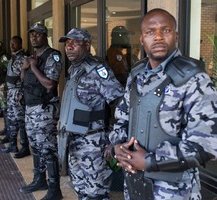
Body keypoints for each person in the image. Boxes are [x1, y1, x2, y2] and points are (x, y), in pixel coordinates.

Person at [109, 8, 217, 200]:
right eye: (151, 32)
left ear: (175, 36)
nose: (158, 37)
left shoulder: (193, 78)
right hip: (135, 185)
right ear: (142, 40)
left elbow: (207, 146)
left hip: (174, 192)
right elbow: (122, 117)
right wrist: (118, 147)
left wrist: (150, 161)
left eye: (165, 31)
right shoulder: (137, 75)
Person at [58, 28, 124, 200]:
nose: (69, 47)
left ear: (87, 45)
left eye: (74, 43)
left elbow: (121, 104)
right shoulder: (74, 69)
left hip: (94, 143)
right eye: (67, 43)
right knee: (81, 191)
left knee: (96, 194)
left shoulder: (98, 70)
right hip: (74, 141)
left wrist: (113, 139)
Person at [19, 23, 63, 200]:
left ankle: (55, 189)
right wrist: (25, 68)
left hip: (44, 109)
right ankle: (40, 179)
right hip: (30, 108)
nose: (34, 37)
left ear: (46, 36)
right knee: (35, 147)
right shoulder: (31, 57)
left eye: (38, 34)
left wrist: (34, 66)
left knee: (47, 149)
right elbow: (24, 79)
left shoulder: (53, 56)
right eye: (32, 35)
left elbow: (51, 84)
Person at [1, 35, 30, 159]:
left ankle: (25, 147)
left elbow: (25, 77)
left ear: (20, 44)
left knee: (21, 121)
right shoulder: (12, 58)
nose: (12, 45)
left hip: (18, 93)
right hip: (10, 93)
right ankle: (13, 145)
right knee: (11, 119)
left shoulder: (23, 58)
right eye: (11, 43)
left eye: (15, 43)